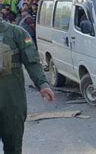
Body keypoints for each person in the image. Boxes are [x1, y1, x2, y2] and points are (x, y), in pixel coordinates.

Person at [0, 19, 55, 154]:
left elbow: (32, 62)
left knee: (13, 147)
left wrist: (42, 84)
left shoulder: (17, 33)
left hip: (11, 103)